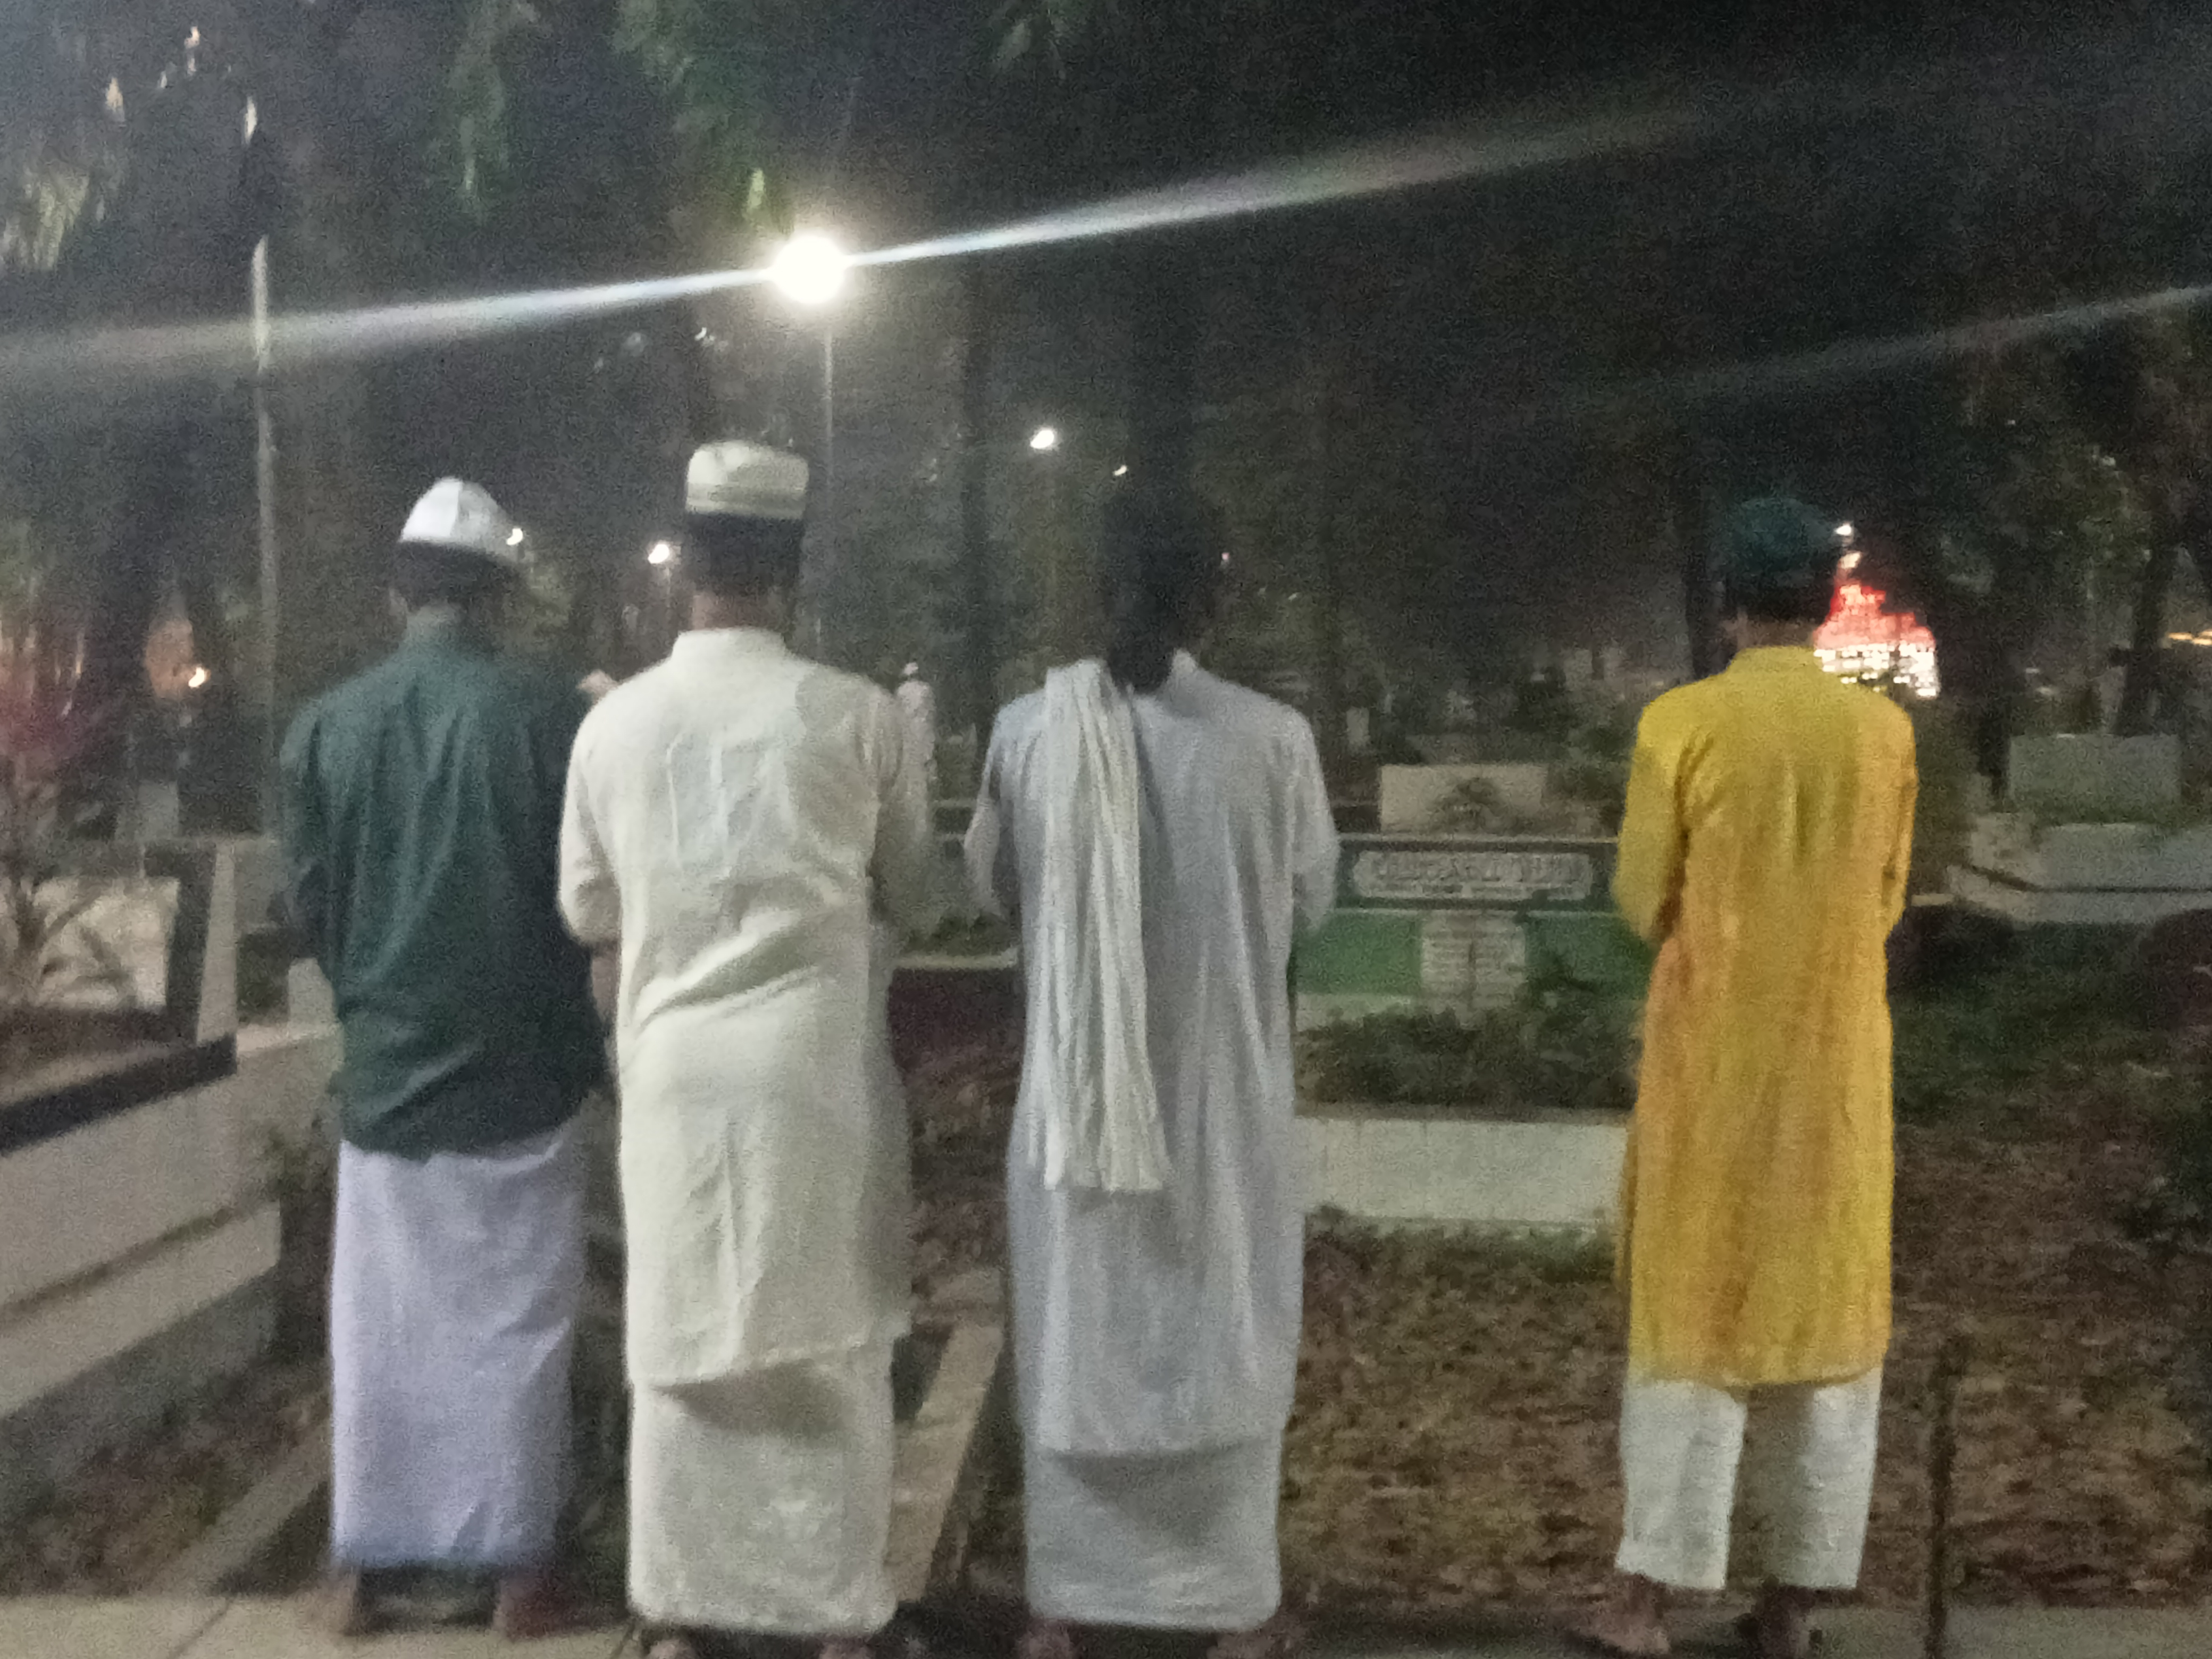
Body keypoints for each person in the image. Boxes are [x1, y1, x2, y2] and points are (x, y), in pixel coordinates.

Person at [558, 441, 941, 1659]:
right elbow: (917, 891)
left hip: (672, 1079)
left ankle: (682, 1613)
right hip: (813, 1075)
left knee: (681, 1348)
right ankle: (835, 1618)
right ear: (791, 570)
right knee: (830, 1345)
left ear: (687, 567)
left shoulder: (614, 725)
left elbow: (589, 913)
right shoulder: (858, 716)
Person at [964, 485, 1340, 1659]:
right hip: (1221, 1111)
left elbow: (996, 886)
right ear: (1214, 594)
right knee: (1223, 1328)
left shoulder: (1030, 733)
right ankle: (1231, 1612)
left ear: (1099, 588)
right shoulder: (1273, 741)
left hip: (1078, 1124)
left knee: (1080, 1333)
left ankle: (1063, 1608)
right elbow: (1310, 904)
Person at [1578, 497, 1917, 1659]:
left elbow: (1642, 899)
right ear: (1824, 601)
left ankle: (1644, 1604)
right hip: (1837, 1066)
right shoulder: (1882, 735)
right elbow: (1884, 899)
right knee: (1824, 1319)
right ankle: (1793, 1602)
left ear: (1725, 601)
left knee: (1696, 1315)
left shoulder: (1683, 723)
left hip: (1715, 1065)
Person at [281, 479, 607, 1641]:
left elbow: (312, 908)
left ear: (398, 597)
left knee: (381, 1331)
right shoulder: (555, 719)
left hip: (388, 1079)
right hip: (525, 1075)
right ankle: (518, 1577)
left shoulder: (325, 727)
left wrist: (383, 997)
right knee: (519, 1325)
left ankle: (366, 1571)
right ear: (500, 600)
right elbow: (589, 902)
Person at [896, 661, 940, 795]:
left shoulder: (901, 691)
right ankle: (929, 784)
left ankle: (911, 789)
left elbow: (897, 711)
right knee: (926, 755)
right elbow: (932, 710)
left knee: (910, 757)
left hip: (908, 727)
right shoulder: (926, 689)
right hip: (924, 727)